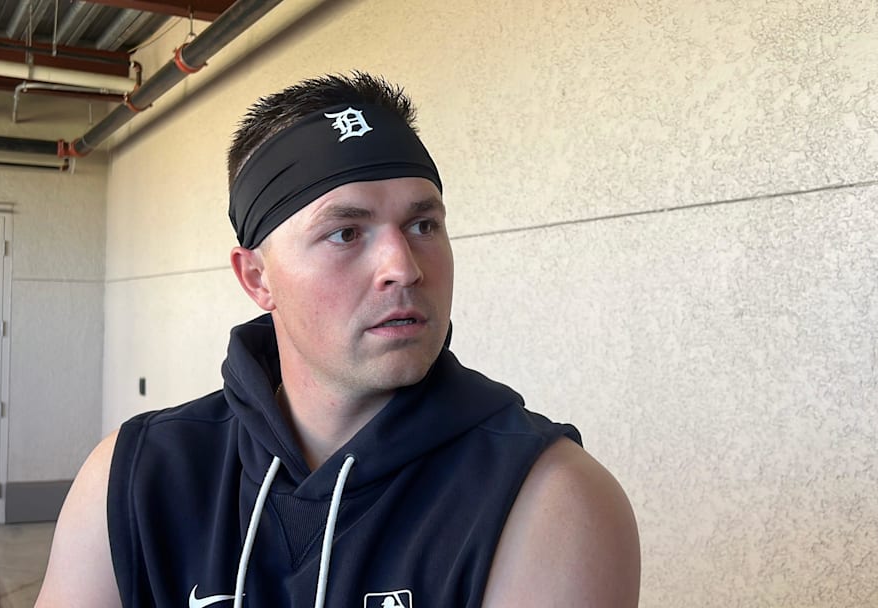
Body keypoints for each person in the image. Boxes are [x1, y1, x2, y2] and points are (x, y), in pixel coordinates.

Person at [36, 72, 640, 608]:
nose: (403, 266)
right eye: (347, 232)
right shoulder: (138, 477)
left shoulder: (547, 498)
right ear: (258, 277)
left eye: (423, 224)